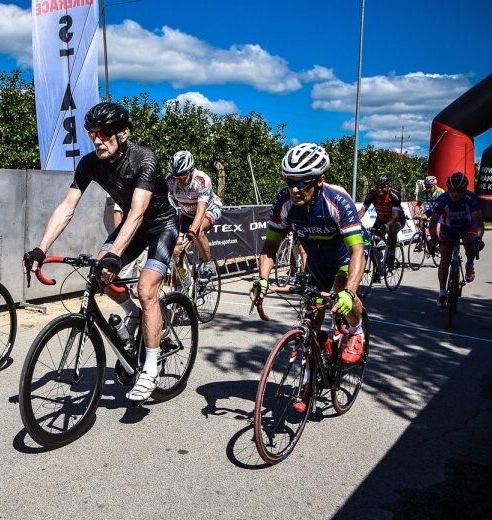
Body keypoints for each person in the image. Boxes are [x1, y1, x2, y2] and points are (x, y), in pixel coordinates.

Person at [24, 102, 179, 402]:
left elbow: (136, 213)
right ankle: (132, 314)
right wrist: (40, 248)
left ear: (123, 133)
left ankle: (149, 369)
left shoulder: (143, 159)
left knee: (147, 290)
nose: (97, 140)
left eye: (104, 133)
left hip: (160, 226)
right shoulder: (89, 163)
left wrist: (115, 254)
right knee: (100, 274)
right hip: (132, 226)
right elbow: (67, 207)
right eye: (92, 133)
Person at [250, 143, 366, 413]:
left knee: (341, 294)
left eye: (302, 182)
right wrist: (263, 280)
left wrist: (349, 291)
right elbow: (270, 247)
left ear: (320, 180)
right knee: (311, 321)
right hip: (316, 262)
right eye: (289, 181)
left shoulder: (338, 201)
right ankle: (310, 377)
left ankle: (356, 330)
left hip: (344, 259)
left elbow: (357, 251)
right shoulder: (284, 202)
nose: (295, 188)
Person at [427, 172, 485, 307]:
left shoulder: (472, 198)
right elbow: (433, 222)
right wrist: (434, 237)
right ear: (448, 189)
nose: (455, 194)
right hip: (449, 229)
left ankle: (469, 264)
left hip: (467, 227)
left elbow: (479, 223)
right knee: (445, 259)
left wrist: (479, 239)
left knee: (470, 242)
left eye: (459, 191)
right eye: (452, 190)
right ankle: (442, 293)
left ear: (465, 189)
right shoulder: (442, 199)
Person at [165, 150, 223, 281]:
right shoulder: (170, 180)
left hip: (209, 209)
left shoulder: (202, 180)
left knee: (197, 231)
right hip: (186, 213)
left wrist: (191, 233)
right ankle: (183, 279)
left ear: (191, 170)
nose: (179, 180)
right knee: (178, 245)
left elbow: (200, 212)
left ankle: (208, 263)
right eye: (176, 177)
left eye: (183, 176)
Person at [358, 173, 406, 266]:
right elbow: (362, 211)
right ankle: (377, 268)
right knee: (372, 243)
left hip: (396, 219)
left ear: (389, 186)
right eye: (377, 187)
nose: (379, 189)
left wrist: (387, 226)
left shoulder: (394, 196)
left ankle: (392, 253)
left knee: (392, 230)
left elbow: (395, 216)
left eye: (382, 187)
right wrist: (353, 221)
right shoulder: (371, 195)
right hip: (381, 219)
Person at [112, 201, 148, 298]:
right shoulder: (123, 191)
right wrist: (121, 239)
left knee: (144, 274)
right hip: (128, 240)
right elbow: (117, 213)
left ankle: (142, 307)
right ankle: (128, 305)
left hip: (145, 238)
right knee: (124, 274)